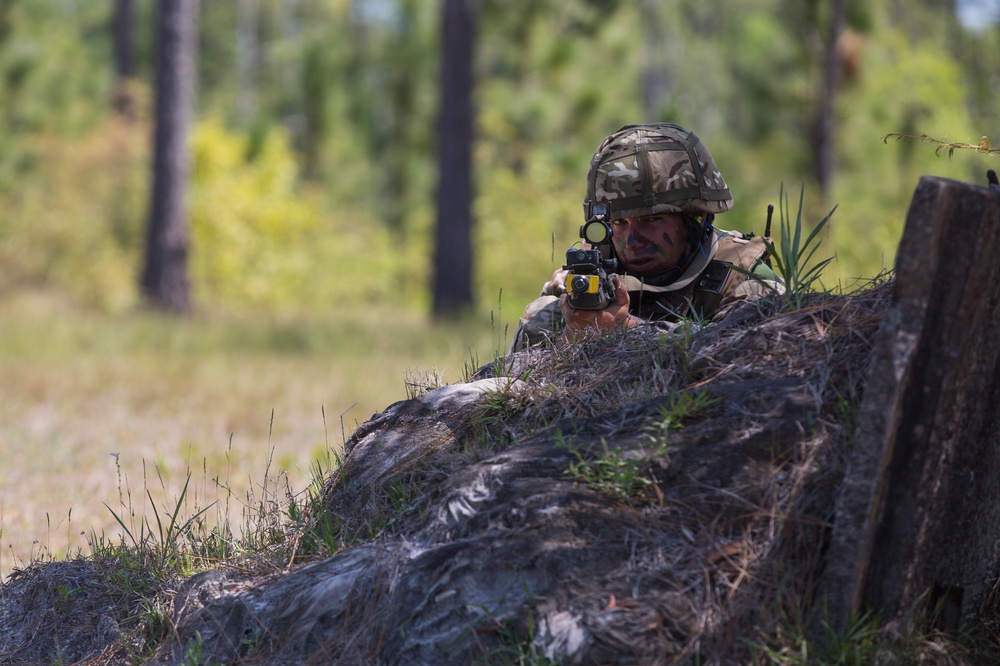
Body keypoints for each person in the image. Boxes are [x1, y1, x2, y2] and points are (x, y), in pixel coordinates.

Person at [510, 122, 781, 351]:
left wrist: (625, 328)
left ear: (697, 218)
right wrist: (572, 334)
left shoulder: (743, 277)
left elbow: (740, 359)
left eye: (651, 221)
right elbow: (517, 377)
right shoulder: (587, 280)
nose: (631, 241)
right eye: (619, 222)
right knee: (544, 312)